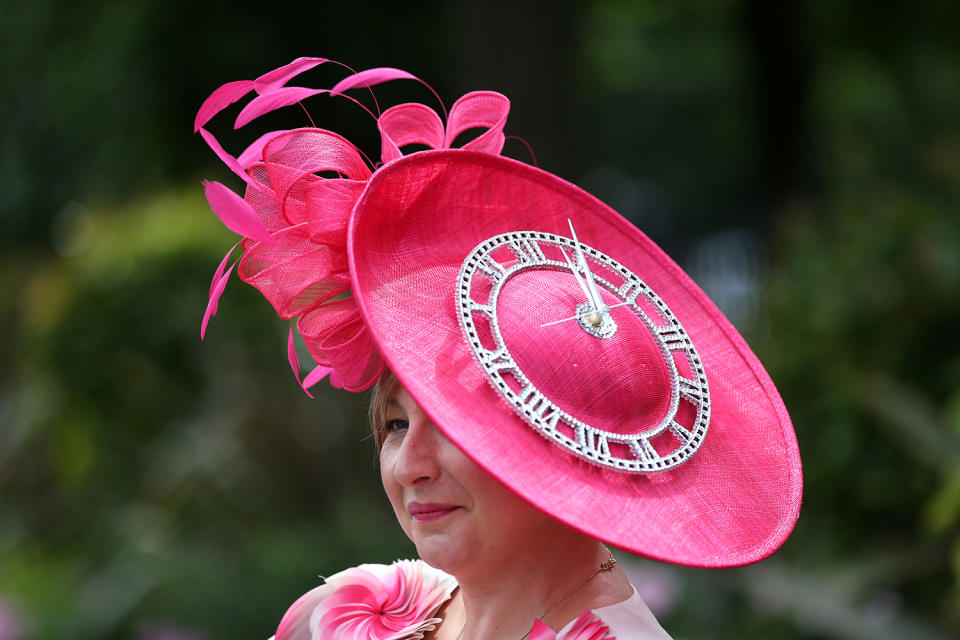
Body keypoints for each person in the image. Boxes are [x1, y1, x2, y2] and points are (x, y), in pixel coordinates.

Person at [195, 57, 803, 640]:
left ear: (564, 454)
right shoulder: (349, 616)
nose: (410, 466)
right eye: (398, 424)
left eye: (456, 426)